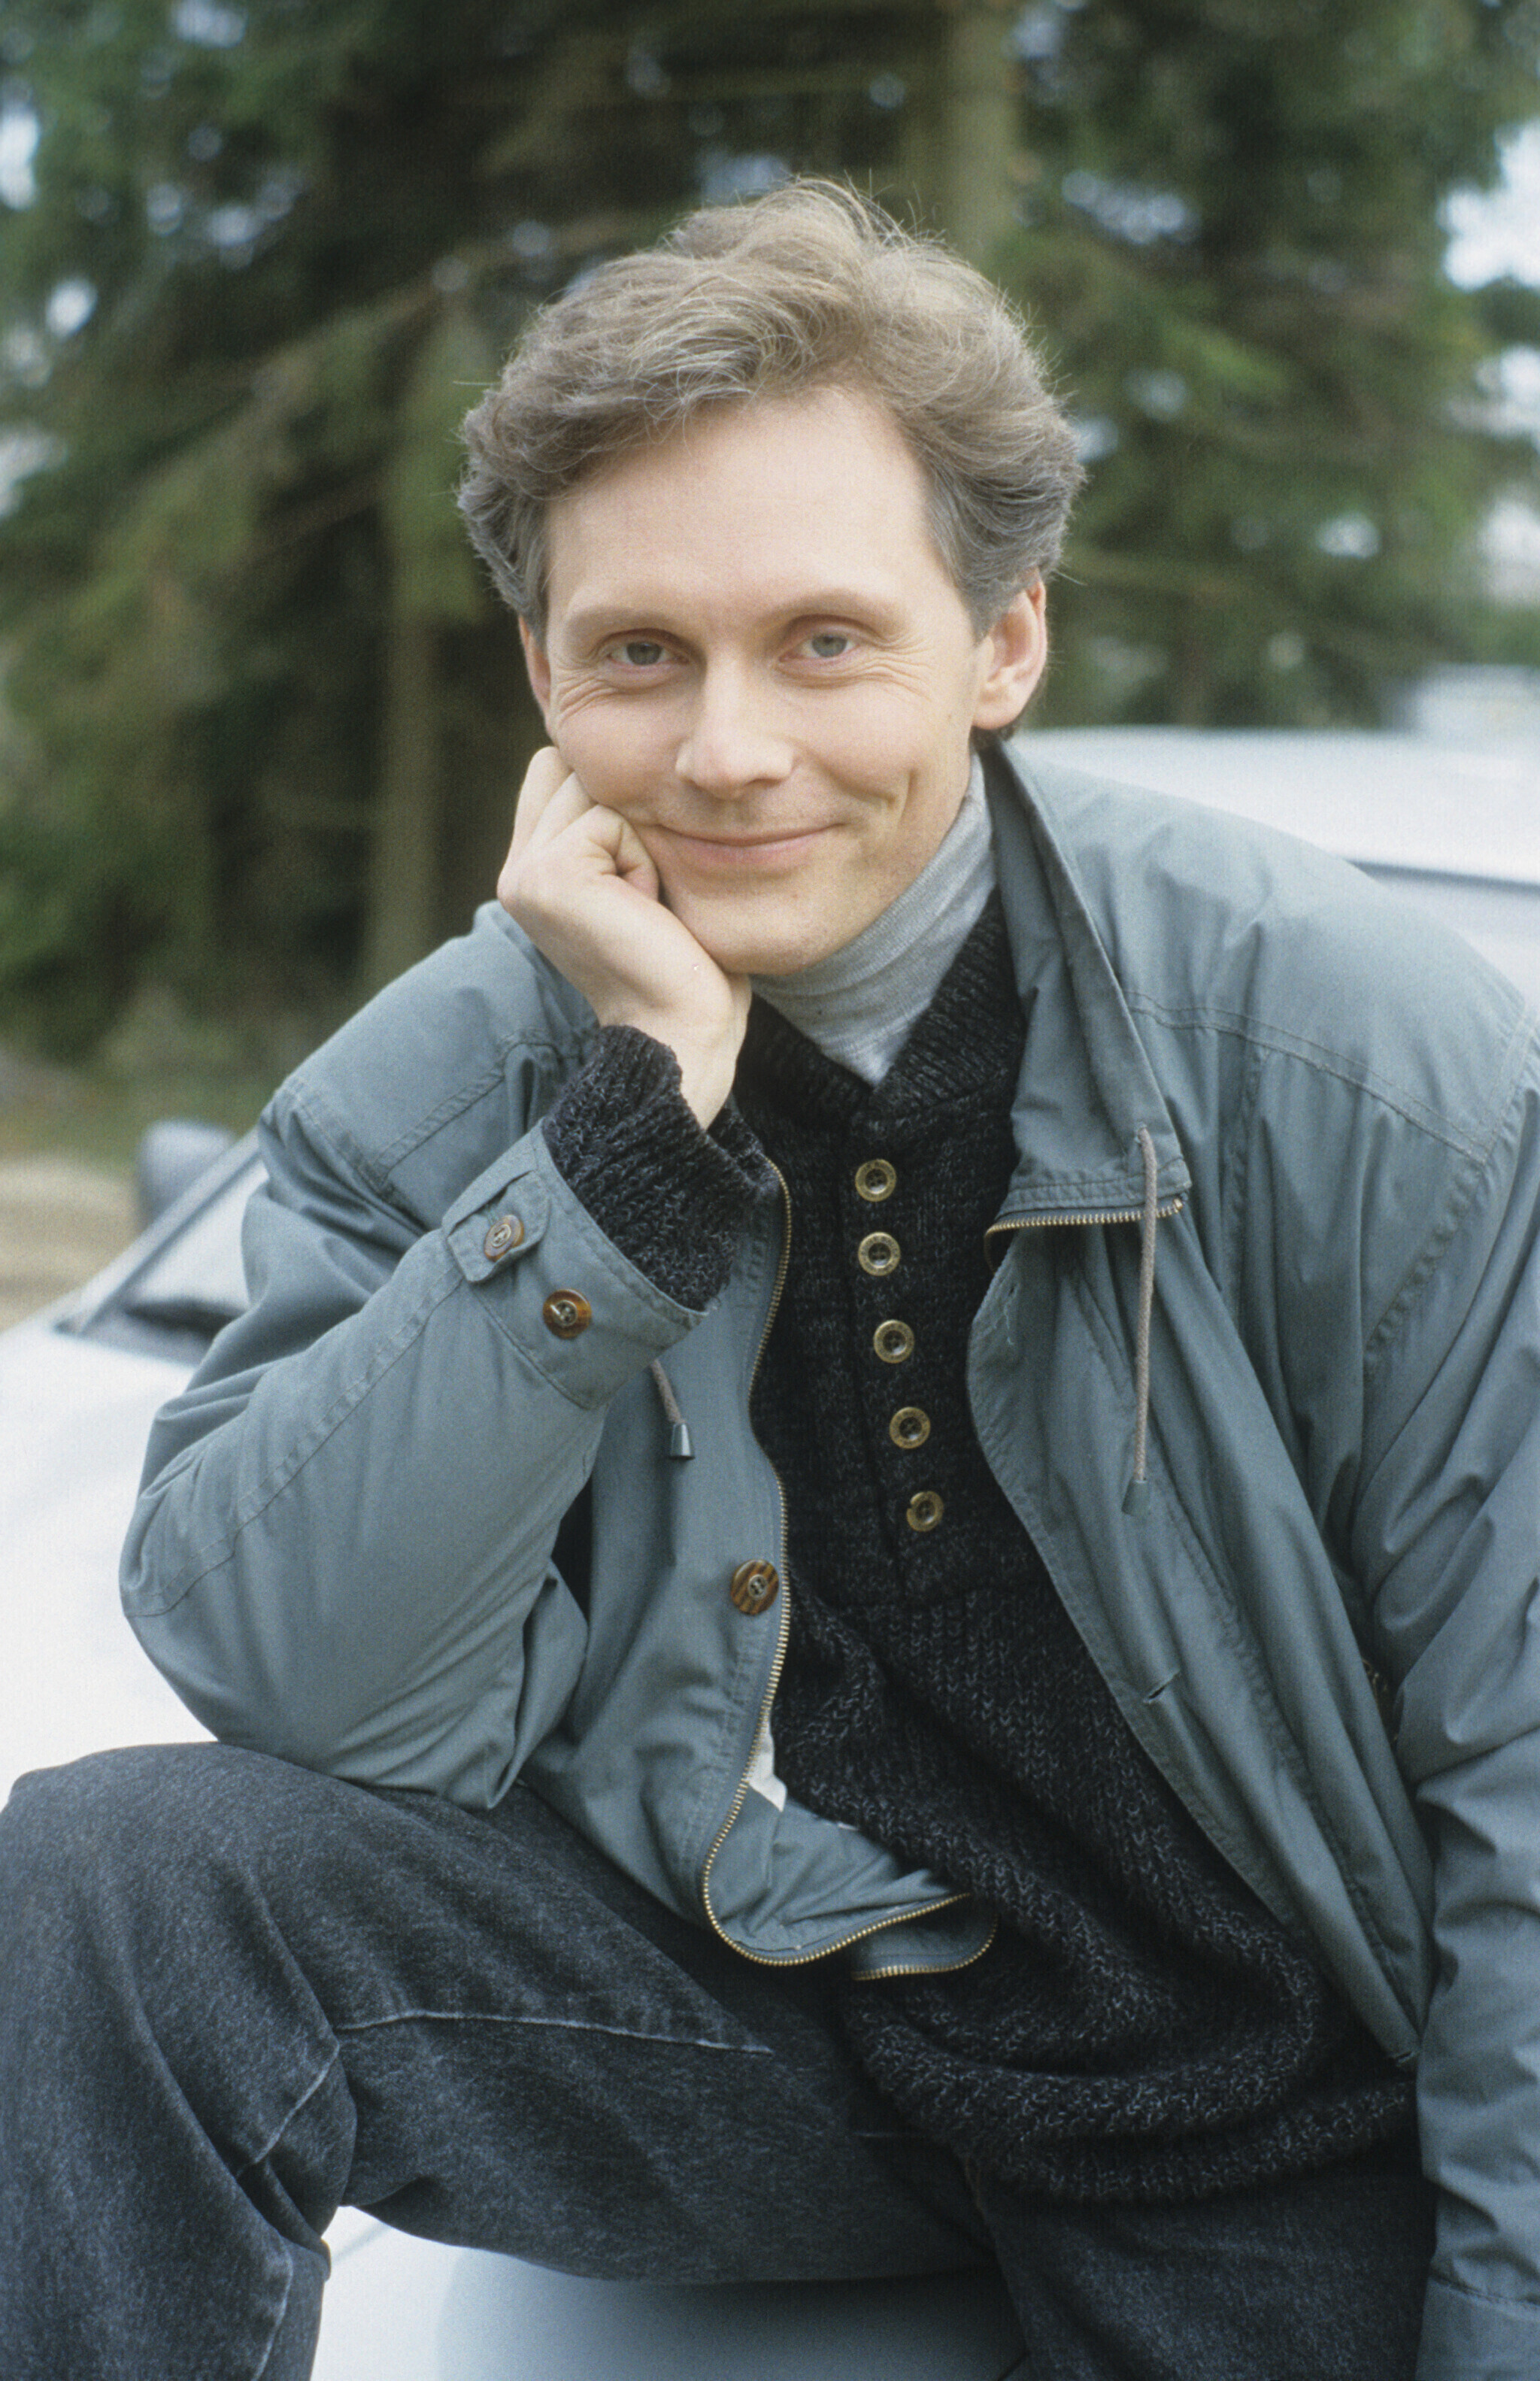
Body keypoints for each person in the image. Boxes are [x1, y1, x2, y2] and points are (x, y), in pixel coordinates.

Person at [2, 181, 1537, 2381]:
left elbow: (1517, 1762)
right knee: (107, 1887)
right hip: (781, 2033)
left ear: (1003, 644)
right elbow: (303, 1683)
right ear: (545, 676)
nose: (727, 750)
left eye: (825, 640)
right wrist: (624, 1143)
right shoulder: (442, 1082)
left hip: (1265, 2100)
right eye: (642, 652)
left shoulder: (1362, 1060)